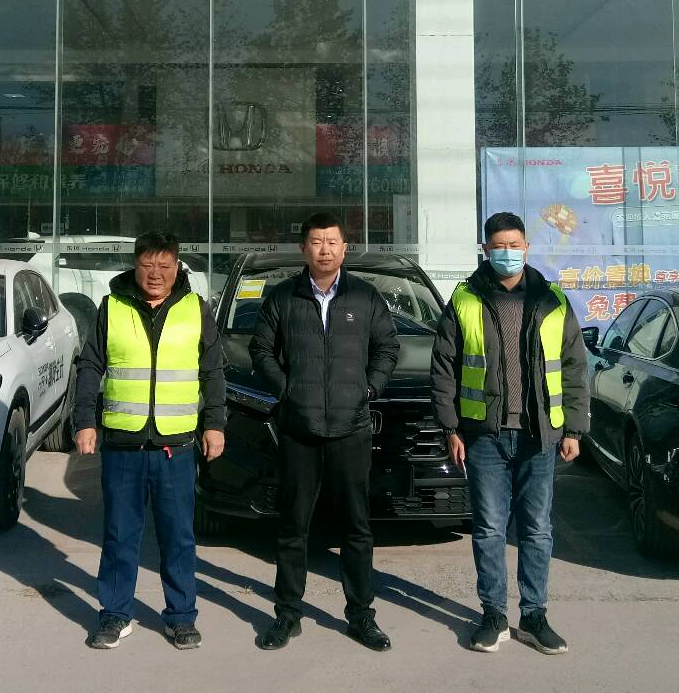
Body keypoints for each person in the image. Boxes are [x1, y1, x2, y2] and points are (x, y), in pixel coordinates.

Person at [430, 211, 589, 655]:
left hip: (540, 435)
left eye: (514, 245)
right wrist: (450, 426)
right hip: (484, 435)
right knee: (489, 528)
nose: (507, 253)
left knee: (537, 529)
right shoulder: (465, 298)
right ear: (485, 250)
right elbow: (443, 367)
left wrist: (574, 428)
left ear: (526, 247)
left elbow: (574, 367)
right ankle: (493, 614)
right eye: (498, 246)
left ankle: (534, 615)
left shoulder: (552, 299)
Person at [249, 212, 400, 652]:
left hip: (351, 429)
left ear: (344, 248)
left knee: (356, 528)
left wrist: (370, 387)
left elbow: (387, 347)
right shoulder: (283, 297)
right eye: (317, 242)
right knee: (292, 528)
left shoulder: (365, 296)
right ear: (304, 248)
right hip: (299, 429)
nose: (325, 249)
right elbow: (261, 349)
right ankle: (287, 614)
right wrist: (287, 390)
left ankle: (361, 615)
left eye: (332, 241)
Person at [73, 231, 226, 650]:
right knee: (119, 534)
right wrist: (84, 420)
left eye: (164, 265)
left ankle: (180, 616)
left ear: (177, 267)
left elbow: (213, 371)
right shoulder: (112, 306)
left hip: (175, 447)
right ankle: (115, 614)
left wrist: (215, 423)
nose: (155, 274)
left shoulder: (196, 309)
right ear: (135, 264)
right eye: (147, 265)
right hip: (123, 445)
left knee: (178, 537)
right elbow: (90, 365)